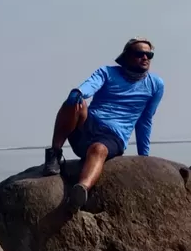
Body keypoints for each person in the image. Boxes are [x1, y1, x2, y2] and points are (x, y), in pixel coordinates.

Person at [43, 38, 164, 210]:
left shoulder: (155, 84)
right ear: (127, 56)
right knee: (75, 102)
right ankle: (54, 154)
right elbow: (90, 85)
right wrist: (78, 92)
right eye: (139, 54)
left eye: (149, 54)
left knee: (98, 149)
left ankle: (81, 190)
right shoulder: (107, 72)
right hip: (88, 126)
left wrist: (143, 158)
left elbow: (145, 120)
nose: (145, 57)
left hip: (113, 136)